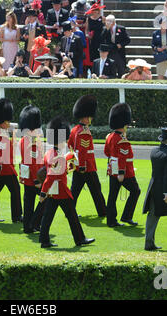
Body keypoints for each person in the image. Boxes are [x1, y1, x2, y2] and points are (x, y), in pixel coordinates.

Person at [38, 116, 95, 248]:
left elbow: (57, 171)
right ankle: (80, 239)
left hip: (54, 191)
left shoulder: (50, 153)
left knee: (48, 216)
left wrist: (69, 164)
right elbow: (51, 177)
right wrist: (42, 192)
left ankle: (44, 240)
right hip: (61, 191)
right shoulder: (58, 156)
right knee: (72, 216)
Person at [68, 95, 107, 218]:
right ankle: (103, 212)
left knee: (75, 190)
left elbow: (70, 146)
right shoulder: (84, 132)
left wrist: (76, 164)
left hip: (77, 165)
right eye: (89, 116)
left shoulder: (75, 129)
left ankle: (70, 210)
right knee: (96, 190)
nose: (91, 119)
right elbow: (83, 151)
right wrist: (83, 166)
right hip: (86, 166)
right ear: (85, 117)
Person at [104, 103, 140, 227]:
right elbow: (122, 158)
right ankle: (126, 216)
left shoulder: (110, 137)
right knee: (136, 191)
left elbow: (106, 152)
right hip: (124, 172)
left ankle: (111, 220)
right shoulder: (122, 140)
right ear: (124, 124)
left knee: (112, 195)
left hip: (112, 169)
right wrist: (121, 173)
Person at [0, 98, 23, 223]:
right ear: (2, 120)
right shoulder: (0, 134)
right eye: (7, 120)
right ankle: (17, 216)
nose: (9, 123)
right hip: (4, 167)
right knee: (15, 190)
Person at [18, 105, 44, 233]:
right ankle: (34, 222)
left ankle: (28, 226)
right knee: (47, 199)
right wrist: (37, 180)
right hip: (34, 178)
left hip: (28, 177)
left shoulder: (24, 139)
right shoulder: (32, 141)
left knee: (28, 204)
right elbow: (32, 163)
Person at [152, 15, 167, 79]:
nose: (165, 24)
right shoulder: (155, 33)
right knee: (160, 74)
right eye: (163, 23)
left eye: (166, 23)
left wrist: (165, 47)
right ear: (160, 24)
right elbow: (153, 45)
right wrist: (157, 48)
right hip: (160, 56)